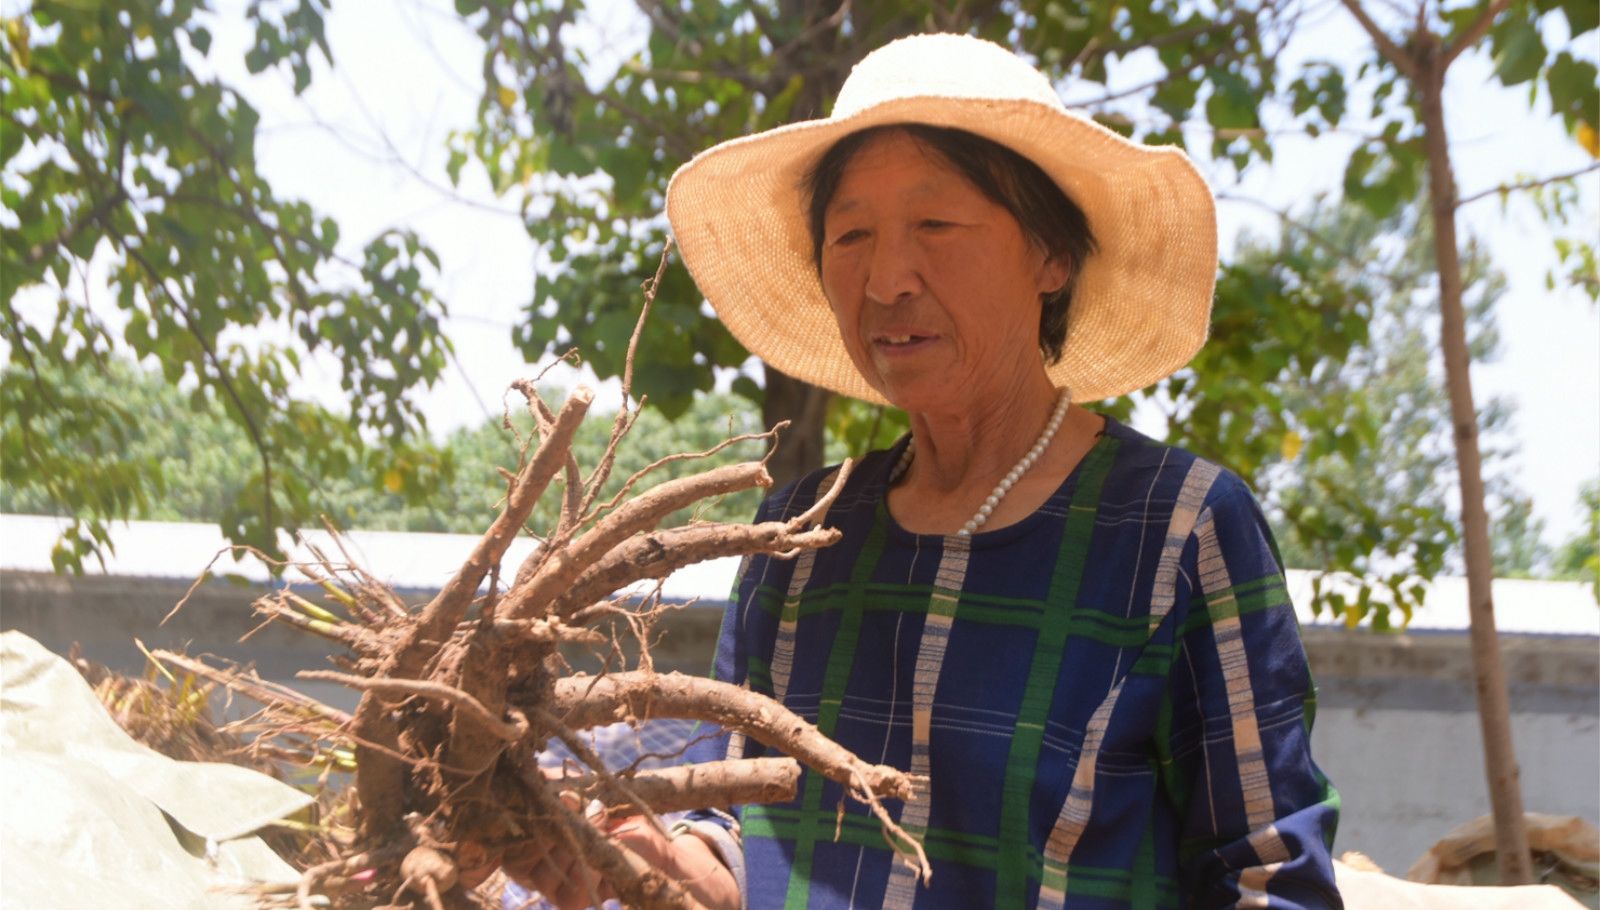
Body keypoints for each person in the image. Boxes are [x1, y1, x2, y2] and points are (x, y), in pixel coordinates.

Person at [508, 32, 1342, 909]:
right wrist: (648, 859)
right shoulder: (796, 536)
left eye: (935, 225)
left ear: (1051, 256)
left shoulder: (1179, 529)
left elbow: (1271, 878)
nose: (885, 279)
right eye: (851, 236)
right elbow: (741, 833)